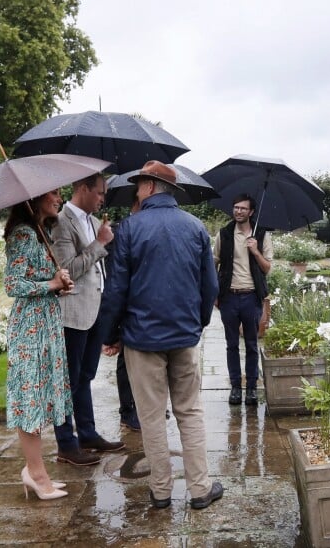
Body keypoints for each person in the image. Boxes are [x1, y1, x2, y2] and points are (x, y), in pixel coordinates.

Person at [101, 160, 223, 510]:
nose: (137, 188)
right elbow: (209, 286)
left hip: (142, 340)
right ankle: (200, 489)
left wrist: (111, 334)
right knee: (190, 412)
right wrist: (196, 325)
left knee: (152, 416)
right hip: (184, 338)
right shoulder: (196, 227)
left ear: (152, 187)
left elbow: (116, 290)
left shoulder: (129, 229)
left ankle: (161, 490)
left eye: (140, 183)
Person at [51, 174, 125, 466]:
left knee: (85, 377)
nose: (102, 198)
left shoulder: (95, 223)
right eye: (99, 192)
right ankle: (66, 445)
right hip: (73, 313)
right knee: (67, 381)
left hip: (95, 312)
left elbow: (99, 270)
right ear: (82, 189)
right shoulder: (61, 221)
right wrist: (99, 244)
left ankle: (88, 433)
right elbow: (68, 269)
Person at [3, 189, 73, 500]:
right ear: (35, 199)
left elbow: (37, 279)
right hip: (30, 328)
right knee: (30, 397)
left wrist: (58, 285)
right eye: (55, 194)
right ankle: (35, 473)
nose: (60, 199)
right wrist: (51, 284)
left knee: (42, 394)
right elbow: (12, 284)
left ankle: (36, 470)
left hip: (45, 322)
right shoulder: (23, 234)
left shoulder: (40, 232)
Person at [213, 194, 273, 406]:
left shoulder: (262, 235)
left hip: (251, 297)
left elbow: (267, 268)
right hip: (229, 297)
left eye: (243, 208)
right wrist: (215, 293)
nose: (238, 211)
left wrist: (255, 251)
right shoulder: (224, 233)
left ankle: (252, 389)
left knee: (251, 344)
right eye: (235, 207)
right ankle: (236, 388)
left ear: (251, 212)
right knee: (231, 345)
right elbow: (215, 263)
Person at [103, 194, 141, 432]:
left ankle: (145, 406)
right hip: (125, 304)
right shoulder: (118, 231)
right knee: (125, 362)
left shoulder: (148, 229)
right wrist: (110, 330)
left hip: (143, 305)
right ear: (135, 204)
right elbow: (113, 275)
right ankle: (127, 410)